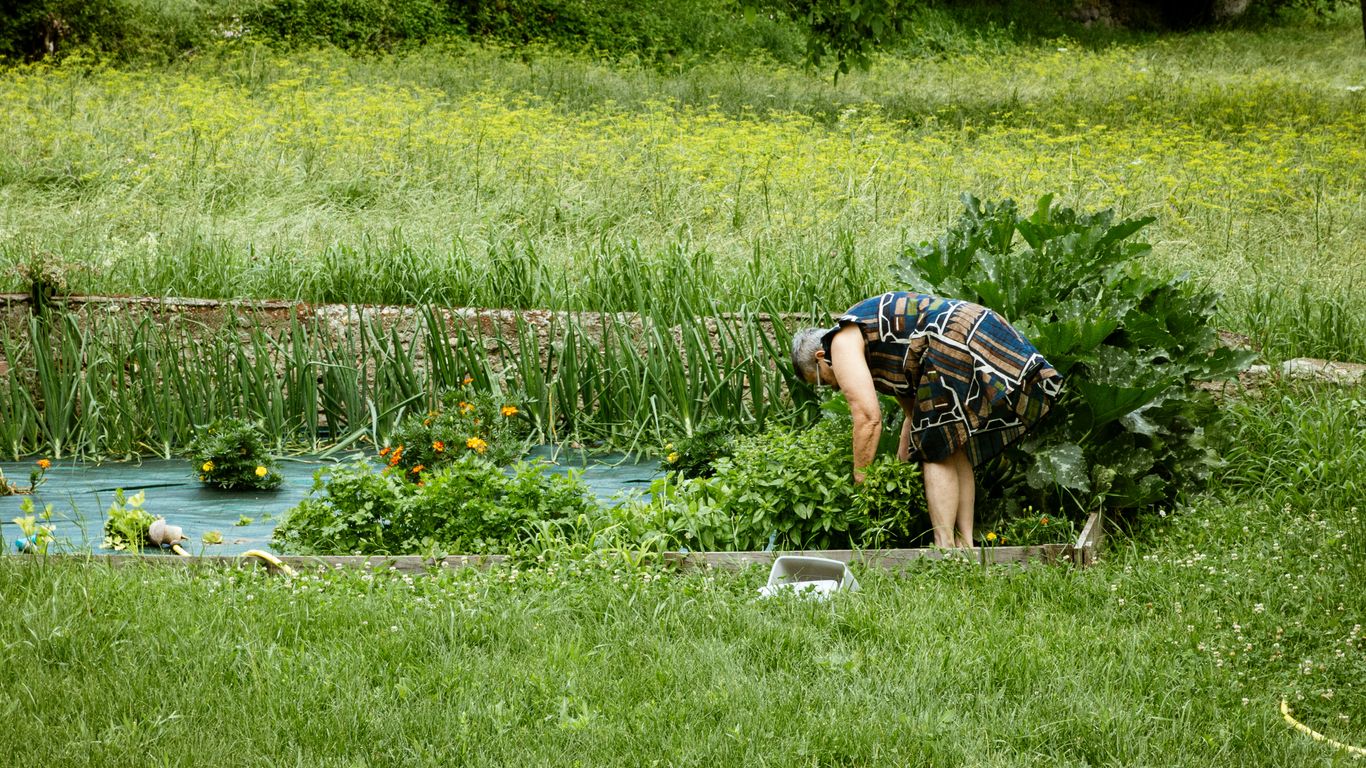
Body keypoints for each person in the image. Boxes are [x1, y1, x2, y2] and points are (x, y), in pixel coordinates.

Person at [791, 291, 1062, 549]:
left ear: (820, 358)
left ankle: (944, 549)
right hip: (972, 328)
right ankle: (964, 545)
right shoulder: (869, 343)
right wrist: (900, 463)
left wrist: (861, 478)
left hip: (951, 339)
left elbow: (867, 418)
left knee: (936, 447)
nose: (831, 387)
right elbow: (913, 414)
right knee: (952, 445)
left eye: (821, 382)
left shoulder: (840, 342)